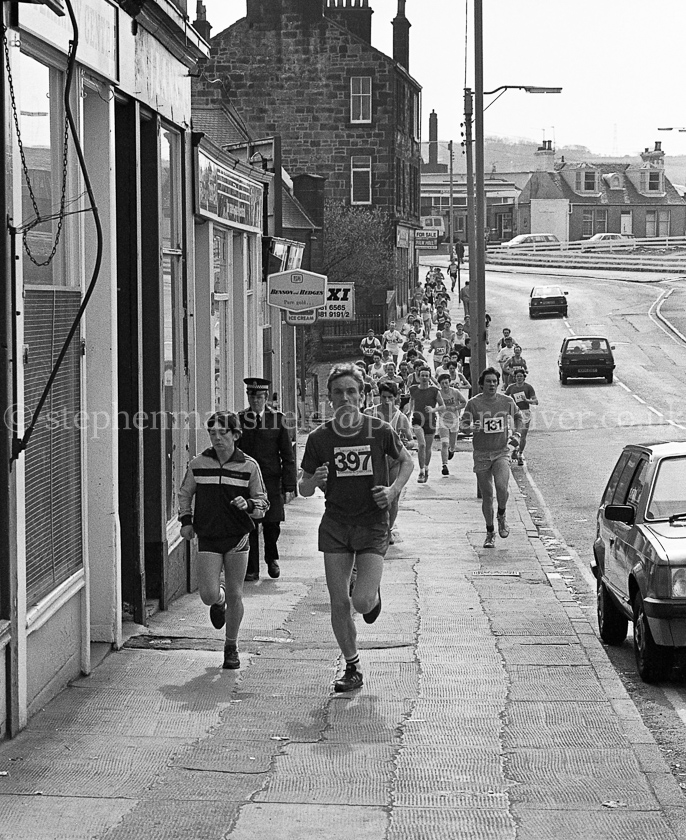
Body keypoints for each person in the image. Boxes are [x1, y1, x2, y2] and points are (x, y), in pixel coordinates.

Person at [299, 363, 413, 693]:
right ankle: (352, 666)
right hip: (335, 524)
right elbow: (302, 486)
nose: (345, 397)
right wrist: (313, 481)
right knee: (338, 602)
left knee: (361, 603)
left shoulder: (379, 431)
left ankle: (371, 594)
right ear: (330, 398)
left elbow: (407, 461)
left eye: (352, 391)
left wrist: (393, 490)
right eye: (338, 392)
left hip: (372, 523)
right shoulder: (319, 438)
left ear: (362, 396)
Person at [179, 411, 269, 669]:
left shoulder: (249, 466)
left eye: (223, 432)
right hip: (207, 535)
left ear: (235, 434)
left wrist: (249, 503)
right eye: (212, 433)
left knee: (236, 592)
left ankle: (231, 646)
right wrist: (186, 521)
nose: (217, 438)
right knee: (208, 593)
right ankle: (218, 603)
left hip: (237, 537)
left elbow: (263, 503)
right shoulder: (198, 463)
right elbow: (185, 494)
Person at [239, 378, 298, 581]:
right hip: (248, 482)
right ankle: (252, 568)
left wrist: (290, 484)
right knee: (251, 524)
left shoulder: (277, 419)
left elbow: (287, 454)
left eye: (259, 397)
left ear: (265, 397)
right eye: (251, 396)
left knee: (272, 524)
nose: (255, 400)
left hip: (271, 480)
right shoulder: (240, 420)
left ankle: (271, 558)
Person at [460, 367, 523, 548]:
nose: (492, 384)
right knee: (487, 495)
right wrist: (472, 427)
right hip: (481, 454)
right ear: (481, 385)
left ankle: (501, 515)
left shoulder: (506, 401)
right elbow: (463, 425)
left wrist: (517, 434)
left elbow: (519, 417)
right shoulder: (473, 403)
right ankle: (489, 532)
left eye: (495, 381)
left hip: (501, 451)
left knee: (502, 487)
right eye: (488, 381)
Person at [365, 381, 415, 541]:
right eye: (383, 397)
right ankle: (372, 528)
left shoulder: (400, 418)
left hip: (394, 461)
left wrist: (408, 444)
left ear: (396, 398)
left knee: (393, 496)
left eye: (390, 398)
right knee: (371, 496)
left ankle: (388, 530)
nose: (386, 401)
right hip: (372, 461)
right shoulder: (369, 413)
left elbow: (411, 440)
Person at [408, 365, 444, 483]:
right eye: (422, 375)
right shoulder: (413, 389)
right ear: (418, 376)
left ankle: (427, 468)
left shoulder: (434, 391)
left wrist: (433, 410)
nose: (424, 377)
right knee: (421, 444)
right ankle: (421, 471)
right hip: (417, 420)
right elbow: (411, 401)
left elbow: (443, 406)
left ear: (429, 377)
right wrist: (409, 412)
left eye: (426, 376)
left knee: (428, 447)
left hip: (430, 421)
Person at [436, 372, 467, 474]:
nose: (444, 385)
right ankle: (444, 465)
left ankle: (452, 450)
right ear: (439, 384)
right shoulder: (438, 393)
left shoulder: (455, 392)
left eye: (446, 383)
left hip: (454, 419)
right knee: (445, 443)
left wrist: (456, 407)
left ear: (449, 383)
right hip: (443, 420)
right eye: (442, 383)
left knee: (452, 445)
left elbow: (464, 402)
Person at [505, 370, 538, 465]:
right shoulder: (511, 388)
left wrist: (526, 400)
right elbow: (504, 399)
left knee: (522, 435)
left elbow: (535, 401)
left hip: (525, 413)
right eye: (517, 376)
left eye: (521, 376)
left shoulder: (528, 387)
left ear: (524, 377)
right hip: (513, 413)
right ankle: (515, 449)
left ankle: (520, 454)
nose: (519, 378)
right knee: (514, 434)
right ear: (514, 377)